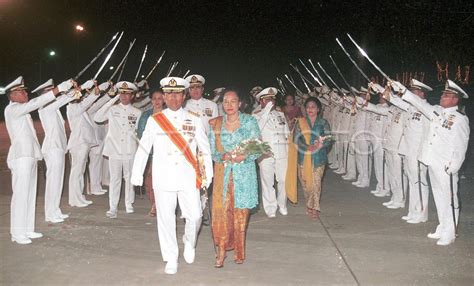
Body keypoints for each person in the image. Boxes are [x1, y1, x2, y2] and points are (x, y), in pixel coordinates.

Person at [131, 77, 213, 275]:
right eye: (169, 94)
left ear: (184, 96)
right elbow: (144, 148)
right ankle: (170, 257)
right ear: (165, 97)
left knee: (195, 216)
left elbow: (204, 148)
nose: (174, 98)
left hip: (187, 176)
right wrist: (137, 174)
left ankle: (189, 241)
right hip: (164, 177)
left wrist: (208, 173)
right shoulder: (154, 120)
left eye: (177, 94)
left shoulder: (194, 119)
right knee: (166, 219)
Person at [392, 79, 470, 246]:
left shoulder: (460, 119)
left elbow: (461, 143)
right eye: (443, 93)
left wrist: (455, 164)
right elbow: (419, 103)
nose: (442, 96)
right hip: (433, 161)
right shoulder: (436, 111)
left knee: (449, 199)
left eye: (447, 95)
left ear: (455, 99)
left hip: (446, 165)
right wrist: (403, 92)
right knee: (439, 197)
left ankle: (450, 232)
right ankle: (443, 226)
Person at [4, 76, 73, 244]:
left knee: (29, 195)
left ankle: (27, 229)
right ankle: (17, 233)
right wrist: (58, 90)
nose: (25, 93)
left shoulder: (21, 110)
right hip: (20, 157)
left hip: (29, 156)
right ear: (12, 96)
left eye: (24, 90)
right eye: (21, 91)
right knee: (21, 196)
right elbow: (36, 103)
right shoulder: (12, 109)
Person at [208, 88, 261, 267]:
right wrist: (221, 156)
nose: (229, 105)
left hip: (243, 174)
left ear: (240, 103)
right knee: (221, 212)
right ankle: (221, 251)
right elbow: (212, 151)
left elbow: (257, 146)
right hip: (223, 173)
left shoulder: (249, 121)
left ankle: (239, 251)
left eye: (233, 101)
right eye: (225, 101)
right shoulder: (216, 124)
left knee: (240, 214)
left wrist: (244, 156)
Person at [94, 81, 142, 218]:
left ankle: (128, 203)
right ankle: (113, 207)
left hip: (130, 149)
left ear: (132, 96)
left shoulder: (137, 112)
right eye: (122, 93)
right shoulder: (112, 109)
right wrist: (112, 99)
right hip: (114, 149)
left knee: (129, 178)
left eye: (127, 94)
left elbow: (138, 131)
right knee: (115, 179)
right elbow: (97, 118)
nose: (124, 96)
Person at [35, 79, 76, 223]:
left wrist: (72, 91)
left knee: (58, 182)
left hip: (58, 148)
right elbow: (63, 99)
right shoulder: (44, 107)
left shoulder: (54, 108)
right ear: (45, 95)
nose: (55, 94)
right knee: (53, 182)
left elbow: (62, 100)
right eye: (51, 92)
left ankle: (55, 210)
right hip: (52, 148)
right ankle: (50, 213)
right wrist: (72, 89)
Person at [292, 97, 332, 219]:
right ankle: (309, 203)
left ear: (318, 109)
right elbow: (295, 139)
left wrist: (320, 144)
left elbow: (329, 138)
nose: (310, 109)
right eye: (308, 107)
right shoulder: (300, 122)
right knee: (306, 184)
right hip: (303, 157)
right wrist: (307, 147)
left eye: (313, 107)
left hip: (318, 158)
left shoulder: (323, 122)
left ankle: (314, 207)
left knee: (316, 183)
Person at [253, 87, 289, 217]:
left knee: (283, 180)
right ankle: (270, 208)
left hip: (282, 152)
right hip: (265, 153)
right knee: (268, 182)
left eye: (272, 99)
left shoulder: (280, 114)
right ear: (261, 102)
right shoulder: (256, 115)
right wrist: (267, 109)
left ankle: (282, 204)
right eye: (267, 99)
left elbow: (286, 134)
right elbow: (257, 129)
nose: (271, 101)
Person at [66, 79, 99, 207]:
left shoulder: (78, 107)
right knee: (77, 172)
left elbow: (84, 105)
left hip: (83, 143)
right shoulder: (72, 108)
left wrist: (93, 93)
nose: (79, 96)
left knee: (80, 171)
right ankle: (74, 199)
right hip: (78, 143)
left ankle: (79, 196)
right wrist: (92, 93)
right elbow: (84, 104)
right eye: (77, 94)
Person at [137, 88, 166, 217]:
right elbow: (141, 133)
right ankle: (154, 204)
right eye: (154, 98)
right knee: (149, 181)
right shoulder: (145, 115)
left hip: (165, 153)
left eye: (160, 98)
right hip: (149, 153)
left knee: (163, 180)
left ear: (164, 99)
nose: (157, 101)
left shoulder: (169, 114)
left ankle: (161, 206)